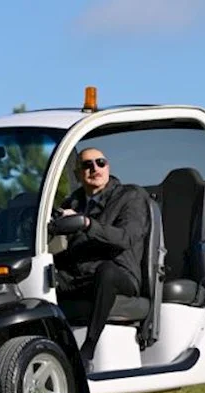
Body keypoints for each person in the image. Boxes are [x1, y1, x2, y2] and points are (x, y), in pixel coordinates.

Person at [49, 147, 150, 371]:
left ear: (108, 167)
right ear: (78, 174)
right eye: (87, 165)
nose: (95, 168)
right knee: (43, 276)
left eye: (100, 162)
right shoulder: (71, 204)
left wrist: (87, 224)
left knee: (106, 271)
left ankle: (88, 349)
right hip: (80, 276)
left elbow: (125, 238)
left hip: (120, 275)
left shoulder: (130, 196)